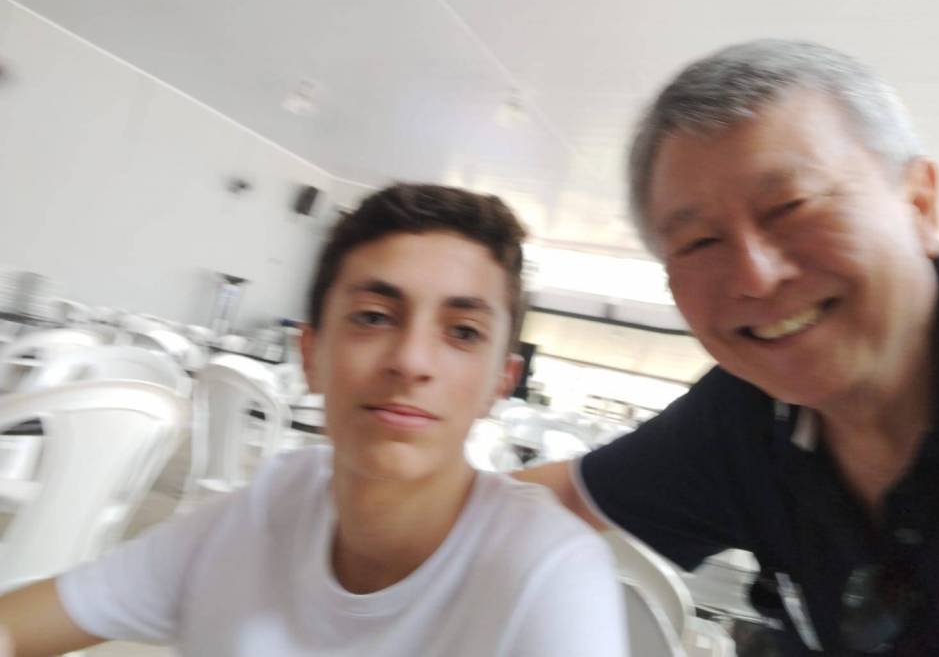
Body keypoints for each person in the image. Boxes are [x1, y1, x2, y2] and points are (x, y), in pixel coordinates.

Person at [519, 39, 939, 655]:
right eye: (701, 243)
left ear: (919, 203)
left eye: (790, 206)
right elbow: (543, 502)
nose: (755, 277)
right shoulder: (748, 416)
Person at [0, 184, 627, 657]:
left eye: (462, 332)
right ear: (311, 354)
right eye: (374, 317)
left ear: (500, 384)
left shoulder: (549, 576)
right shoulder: (260, 512)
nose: (411, 361)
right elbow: (28, 621)